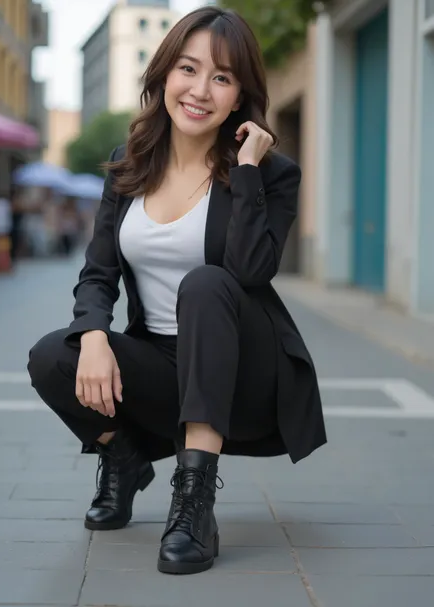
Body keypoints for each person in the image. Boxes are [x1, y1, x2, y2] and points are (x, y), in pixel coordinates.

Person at [28, 6, 326, 576]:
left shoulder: (271, 174)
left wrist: (245, 170)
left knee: (207, 282)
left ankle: (194, 504)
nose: (199, 90)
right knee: (51, 356)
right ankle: (125, 456)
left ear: (239, 94)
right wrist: (93, 335)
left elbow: (249, 272)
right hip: (165, 368)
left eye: (221, 76)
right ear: (165, 74)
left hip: (244, 377)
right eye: (188, 69)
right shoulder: (129, 164)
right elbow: (97, 274)